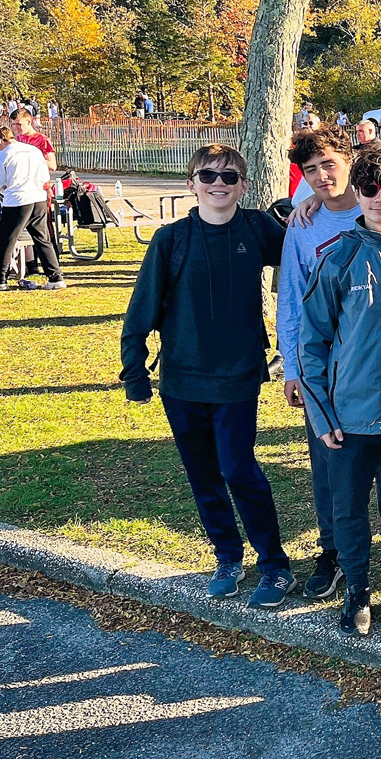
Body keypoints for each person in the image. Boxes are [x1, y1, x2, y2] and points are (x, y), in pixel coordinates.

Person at [119, 144, 292, 607]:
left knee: (239, 469)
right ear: (191, 184)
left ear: (244, 185)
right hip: (181, 379)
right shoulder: (172, 239)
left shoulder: (257, 228)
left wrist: (308, 207)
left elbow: (308, 253)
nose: (219, 183)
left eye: (230, 176)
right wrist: (135, 372)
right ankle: (227, 555)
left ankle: (274, 565)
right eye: (209, 175)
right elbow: (142, 309)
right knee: (202, 474)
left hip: (236, 377)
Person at [279, 128, 381, 601]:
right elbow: (310, 333)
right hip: (349, 407)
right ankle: (354, 590)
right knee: (344, 505)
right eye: (371, 190)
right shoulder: (331, 249)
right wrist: (316, 405)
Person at [0, 125, 65, 291]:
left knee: (7, 240)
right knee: (42, 239)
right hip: (37, 197)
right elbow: (45, 175)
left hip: (17, 200)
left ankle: (0, 279)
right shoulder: (34, 151)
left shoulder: (4, 155)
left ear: (0, 139)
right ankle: (55, 277)